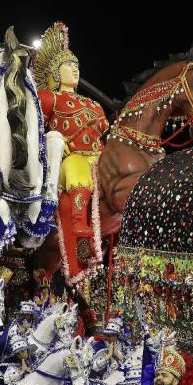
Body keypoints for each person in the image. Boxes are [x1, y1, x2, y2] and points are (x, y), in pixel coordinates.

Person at [34, 22, 110, 285]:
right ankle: (79, 224)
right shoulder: (48, 98)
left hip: (98, 156)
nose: (75, 69)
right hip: (67, 159)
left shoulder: (94, 105)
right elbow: (34, 130)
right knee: (77, 165)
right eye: (69, 65)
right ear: (56, 72)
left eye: (77, 65)